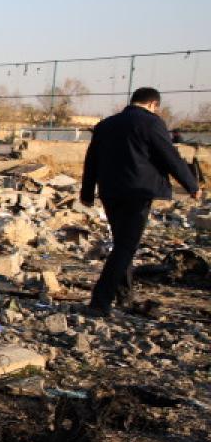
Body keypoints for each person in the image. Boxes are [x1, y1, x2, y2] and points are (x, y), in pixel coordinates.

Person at [80, 87, 202, 317]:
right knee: (126, 247)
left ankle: (124, 296)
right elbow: (169, 156)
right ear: (154, 104)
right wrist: (191, 185)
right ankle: (100, 300)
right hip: (138, 192)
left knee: (121, 245)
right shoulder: (151, 123)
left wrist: (87, 191)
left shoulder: (106, 124)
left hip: (110, 192)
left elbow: (92, 159)